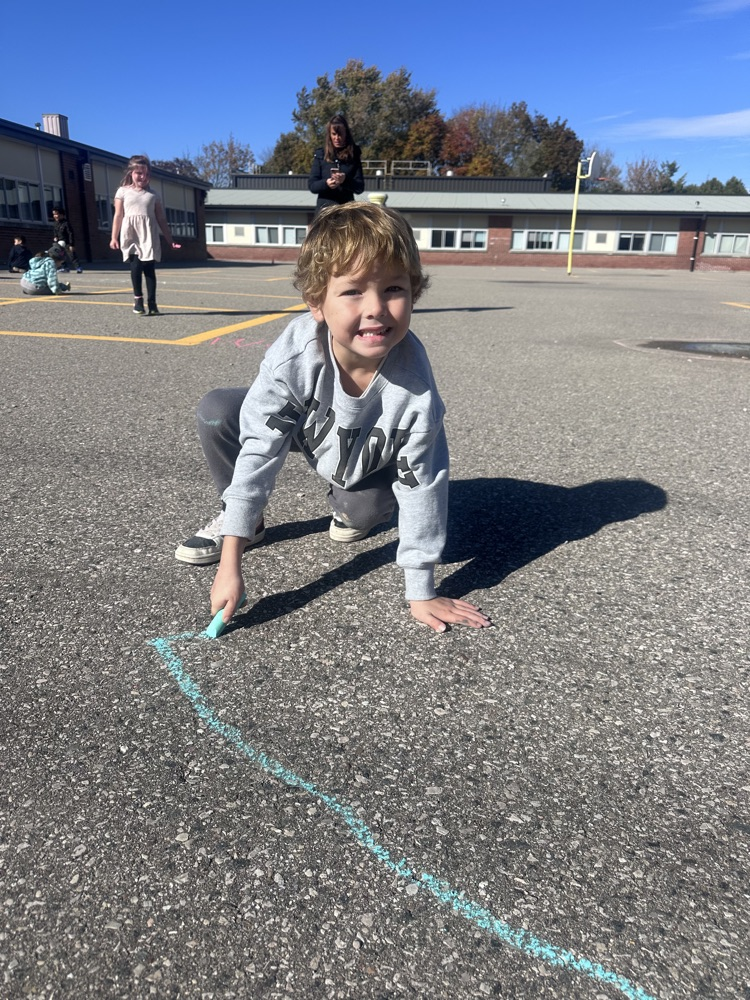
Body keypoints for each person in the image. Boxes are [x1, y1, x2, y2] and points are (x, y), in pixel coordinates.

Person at [176, 201, 490, 635]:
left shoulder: (415, 392)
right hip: (313, 431)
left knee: (365, 512)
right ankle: (247, 524)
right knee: (219, 411)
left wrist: (421, 589)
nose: (376, 307)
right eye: (353, 291)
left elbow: (423, 485)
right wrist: (232, 557)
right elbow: (258, 454)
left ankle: (351, 508)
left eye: (394, 289)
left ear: (413, 292)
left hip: (365, 463)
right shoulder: (296, 357)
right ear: (317, 303)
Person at [109, 154, 180, 316]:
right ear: (131, 173)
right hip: (131, 233)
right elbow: (118, 215)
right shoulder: (123, 191)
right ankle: (138, 300)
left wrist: (170, 240)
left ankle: (152, 303)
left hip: (148, 234)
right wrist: (114, 237)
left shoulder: (153, 195)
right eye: (139, 173)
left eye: (147, 174)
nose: (143, 177)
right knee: (135, 266)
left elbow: (161, 218)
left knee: (149, 268)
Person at [308, 114, 365, 214]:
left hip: (347, 211)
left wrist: (345, 180)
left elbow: (360, 187)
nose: (337, 138)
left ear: (346, 134)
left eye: (340, 134)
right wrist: (326, 183)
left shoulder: (354, 155)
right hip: (325, 212)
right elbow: (312, 185)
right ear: (329, 135)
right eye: (334, 134)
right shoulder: (321, 154)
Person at [51, 207, 82, 273]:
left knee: (72, 255)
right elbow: (55, 232)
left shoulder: (66, 223)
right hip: (59, 243)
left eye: (57, 214)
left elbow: (70, 233)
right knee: (60, 256)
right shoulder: (55, 224)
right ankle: (65, 267)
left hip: (67, 242)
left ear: (62, 215)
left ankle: (78, 267)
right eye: (54, 214)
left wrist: (71, 244)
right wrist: (55, 237)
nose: (56, 216)